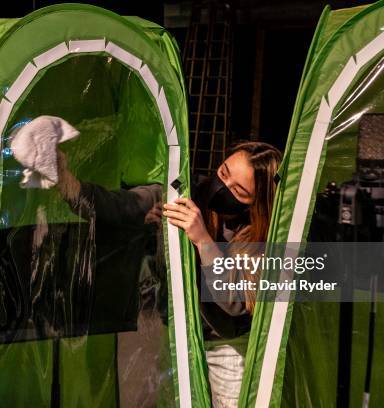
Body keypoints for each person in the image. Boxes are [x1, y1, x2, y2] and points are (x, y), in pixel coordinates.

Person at [56, 141, 282, 408]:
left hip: (225, 345)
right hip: (175, 334)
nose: (223, 186)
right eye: (223, 172)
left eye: (238, 191)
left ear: (256, 203)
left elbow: (235, 301)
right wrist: (63, 179)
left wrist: (203, 241)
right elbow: (115, 206)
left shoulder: (264, 237)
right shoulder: (184, 195)